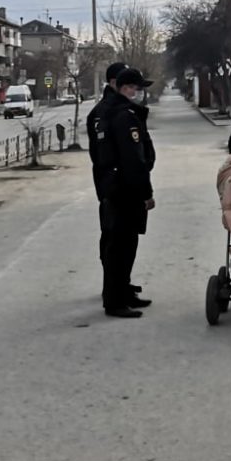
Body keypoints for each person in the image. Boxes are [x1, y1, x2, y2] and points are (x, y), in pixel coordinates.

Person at [95, 67, 156, 318]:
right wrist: (146, 193)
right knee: (121, 247)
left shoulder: (113, 113)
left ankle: (122, 293)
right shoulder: (124, 116)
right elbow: (133, 160)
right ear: (124, 88)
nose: (138, 93)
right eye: (135, 88)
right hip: (125, 190)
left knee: (123, 246)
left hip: (116, 187)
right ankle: (115, 301)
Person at [86, 61, 143, 304]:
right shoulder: (106, 111)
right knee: (115, 241)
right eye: (126, 83)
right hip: (116, 186)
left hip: (121, 184)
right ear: (113, 83)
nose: (132, 89)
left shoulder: (120, 109)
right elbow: (102, 155)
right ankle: (113, 291)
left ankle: (122, 285)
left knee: (127, 240)